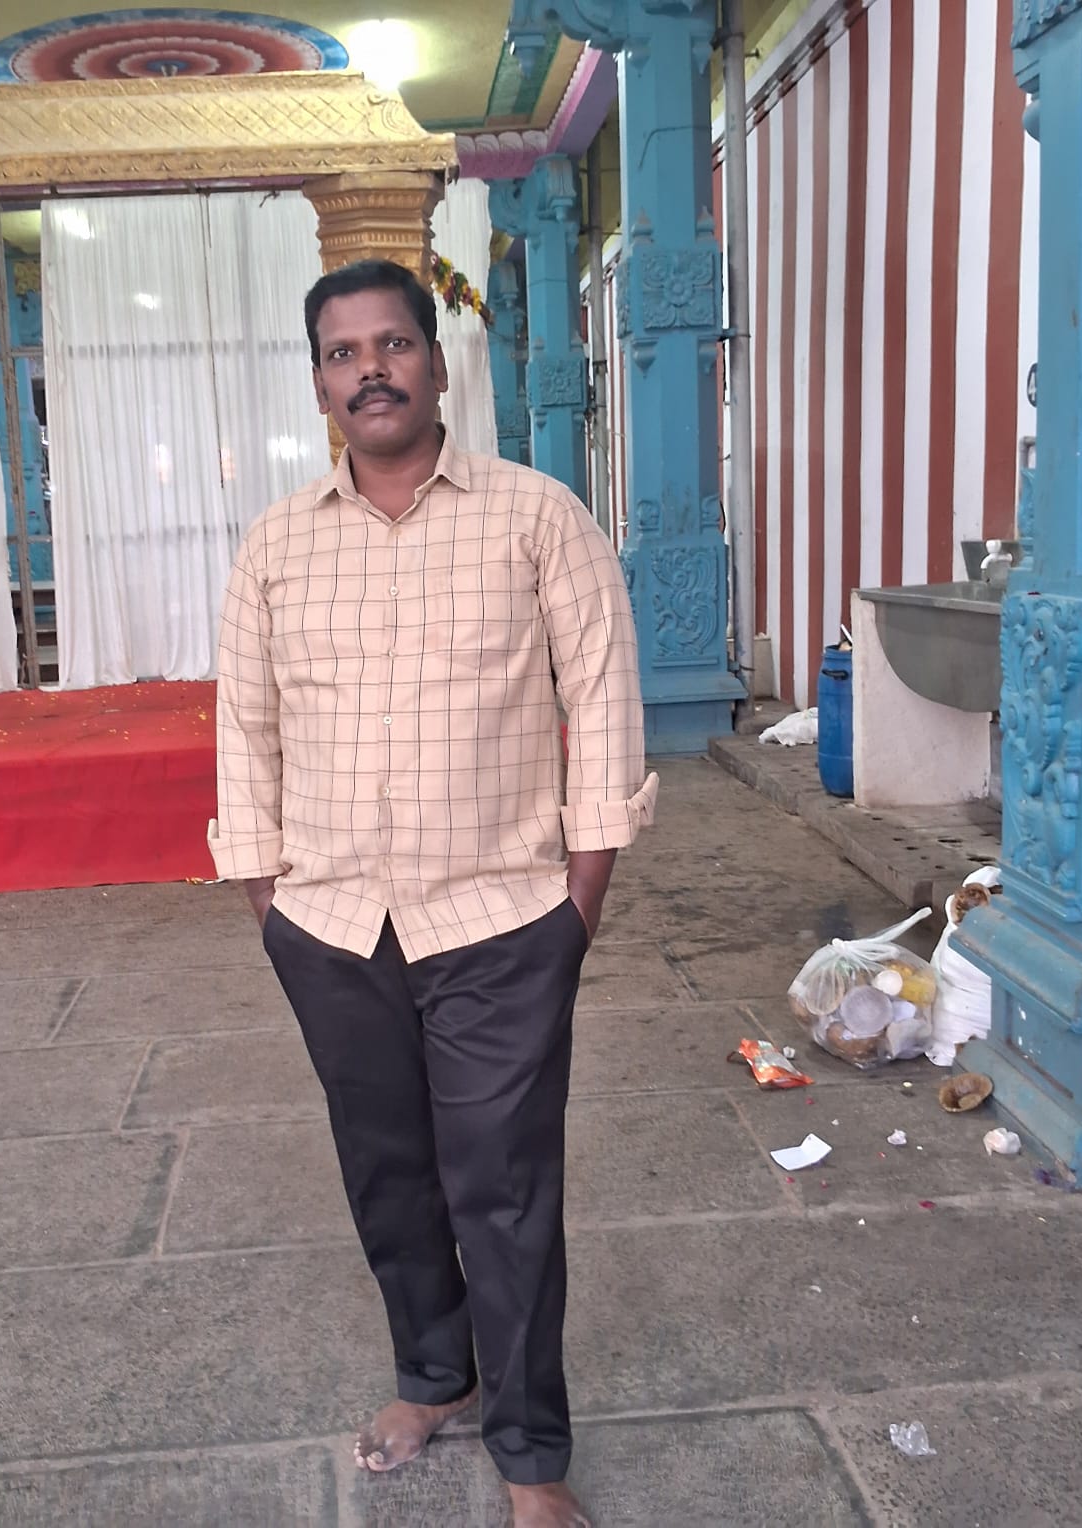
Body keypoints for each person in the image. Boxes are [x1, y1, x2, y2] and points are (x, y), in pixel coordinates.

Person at [209, 258, 657, 1528]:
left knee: (503, 1192)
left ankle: (530, 1458)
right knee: (387, 1174)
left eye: (392, 344)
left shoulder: (536, 517)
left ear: (436, 363)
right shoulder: (276, 548)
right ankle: (432, 1375)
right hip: (333, 926)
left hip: (500, 922)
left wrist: (576, 907)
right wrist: (272, 906)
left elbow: (603, 707)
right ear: (318, 385)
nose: (371, 370)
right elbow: (244, 730)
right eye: (342, 353)